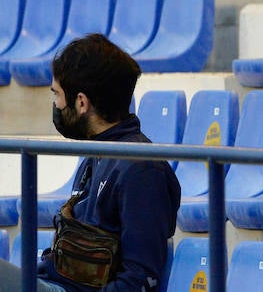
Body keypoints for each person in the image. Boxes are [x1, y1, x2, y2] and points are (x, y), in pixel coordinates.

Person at [0, 34, 179, 292]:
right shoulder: (97, 153)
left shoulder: (141, 168)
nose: (56, 105)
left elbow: (139, 279)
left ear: (81, 102)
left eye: (57, 95)